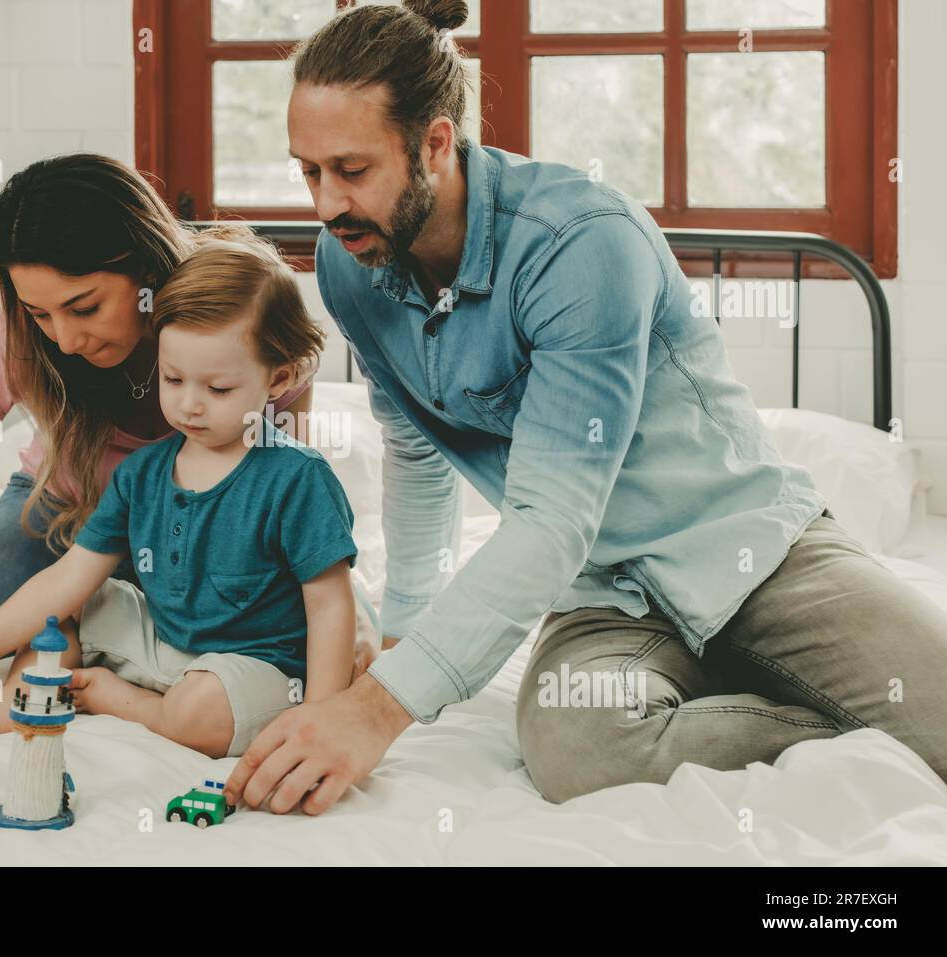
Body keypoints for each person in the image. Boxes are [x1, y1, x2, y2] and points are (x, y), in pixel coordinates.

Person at [225, 0, 947, 812]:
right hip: (601, 594)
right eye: (307, 170)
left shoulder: (579, 243)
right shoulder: (350, 264)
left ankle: (834, 693)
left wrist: (379, 706)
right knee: (579, 746)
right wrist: (406, 633)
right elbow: (418, 449)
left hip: (751, 555)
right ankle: (825, 720)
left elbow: (551, 514)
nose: (325, 204)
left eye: (351, 170)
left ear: (434, 142)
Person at [0, 154, 382, 713]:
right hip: (63, 514)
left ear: (146, 269)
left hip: (197, 529)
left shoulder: (243, 322)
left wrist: (341, 606)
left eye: (84, 307)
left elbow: (278, 493)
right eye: (40, 314)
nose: (62, 338)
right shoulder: (15, 335)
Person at [0, 233, 360, 759]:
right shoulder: (143, 473)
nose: (190, 405)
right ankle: (14, 705)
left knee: (203, 711)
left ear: (277, 378)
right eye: (172, 380)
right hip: (163, 644)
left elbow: (330, 604)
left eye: (217, 390)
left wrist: (321, 717)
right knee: (62, 616)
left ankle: (121, 701)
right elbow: (67, 578)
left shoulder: (297, 480)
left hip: (252, 665)